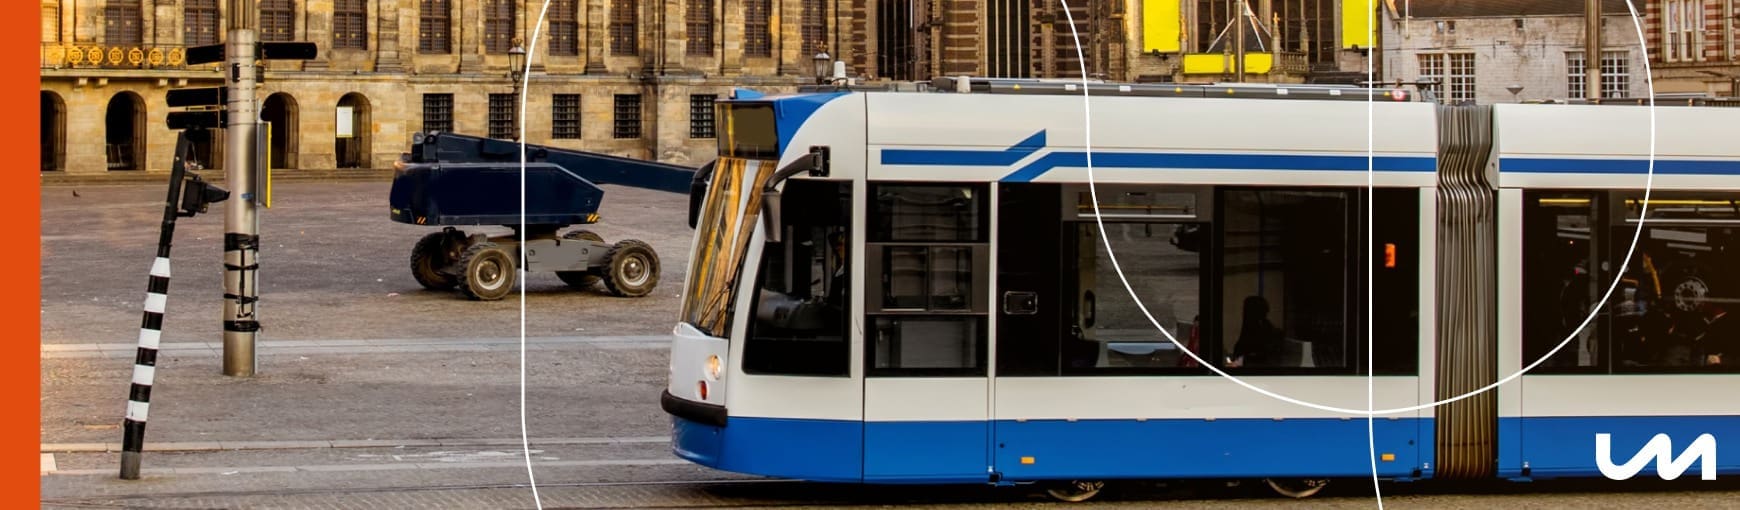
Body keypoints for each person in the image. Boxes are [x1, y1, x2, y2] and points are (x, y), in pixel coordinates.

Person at [1228, 296, 1283, 368]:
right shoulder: (1252, 326)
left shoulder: (1264, 323)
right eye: (1264, 308)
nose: (1267, 311)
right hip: (1250, 360)